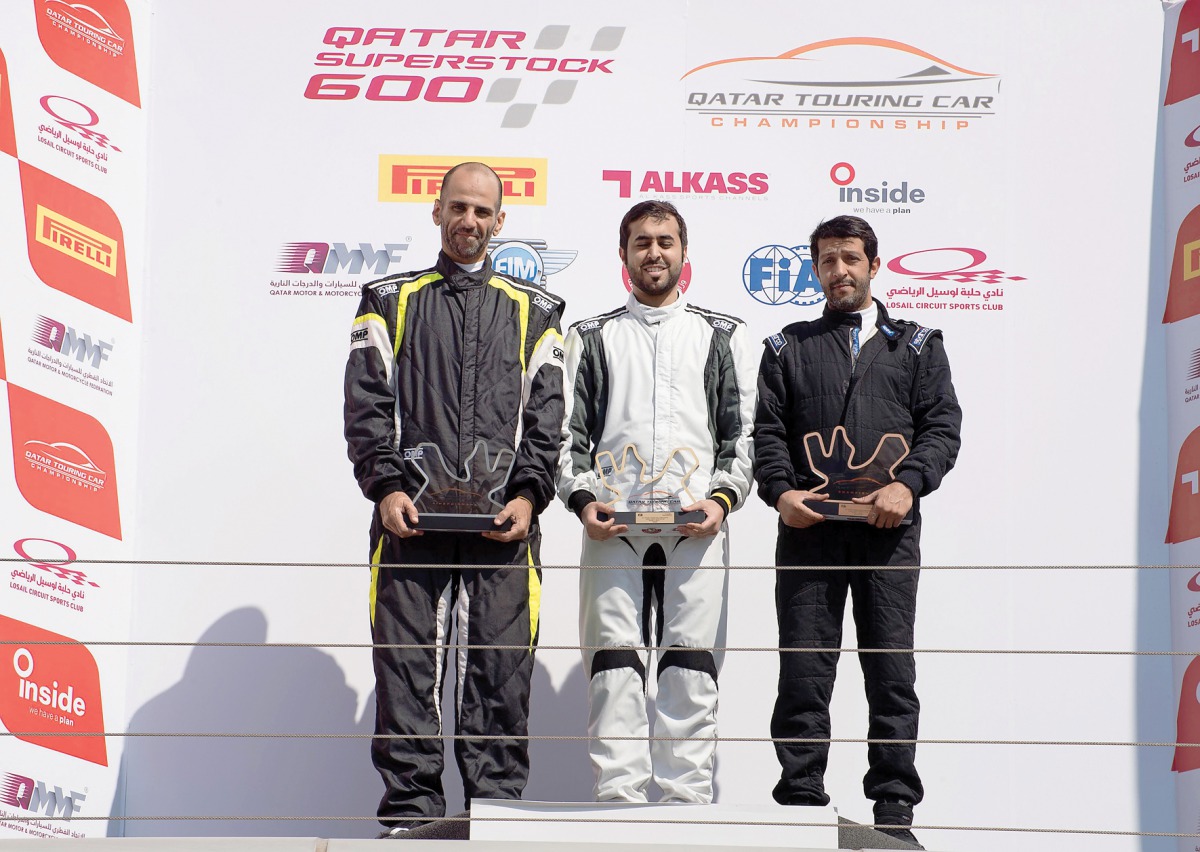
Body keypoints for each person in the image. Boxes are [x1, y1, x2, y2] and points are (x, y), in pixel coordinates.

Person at [343, 162, 566, 835]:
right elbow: (366, 405)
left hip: (504, 528)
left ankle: (495, 824)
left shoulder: (540, 311)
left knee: (501, 680)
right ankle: (409, 826)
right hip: (410, 524)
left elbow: (550, 419)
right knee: (406, 675)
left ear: (502, 221)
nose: (469, 221)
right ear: (435, 212)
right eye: (458, 208)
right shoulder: (387, 298)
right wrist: (384, 487)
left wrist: (529, 496)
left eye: (482, 211)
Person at [753, 215, 961, 849]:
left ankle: (894, 811)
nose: (838, 270)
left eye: (849, 258)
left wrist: (910, 485)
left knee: (891, 672)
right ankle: (799, 801)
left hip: (888, 532)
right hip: (809, 533)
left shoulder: (919, 344)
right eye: (826, 260)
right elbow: (765, 436)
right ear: (814, 269)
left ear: (874, 264)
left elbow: (943, 428)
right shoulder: (787, 345)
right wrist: (781, 493)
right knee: (804, 671)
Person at [558, 200, 757, 803]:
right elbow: (569, 437)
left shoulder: (723, 334)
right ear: (622, 255)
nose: (654, 253)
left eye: (666, 241)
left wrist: (722, 500)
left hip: (696, 524)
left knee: (690, 665)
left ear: (684, 252)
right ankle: (618, 799)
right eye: (641, 242)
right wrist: (583, 500)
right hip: (611, 526)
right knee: (614, 664)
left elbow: (740, 434)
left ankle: (685, 802)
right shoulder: (589, 337)